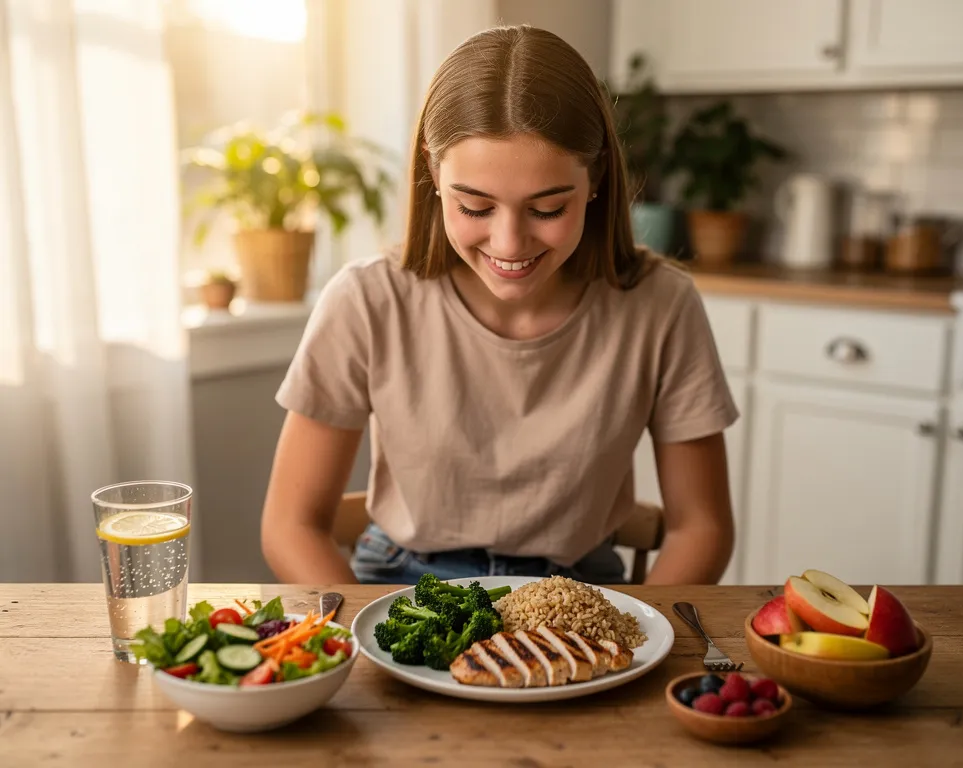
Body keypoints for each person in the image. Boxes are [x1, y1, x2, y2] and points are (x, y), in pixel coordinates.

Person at [260, 24, 738, 587]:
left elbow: (701, 528)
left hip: (580, 589)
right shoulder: (366, 300)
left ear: (596, 178)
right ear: (434, 174)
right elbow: (291, 527)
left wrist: (639, 625)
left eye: (547, 209)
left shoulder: (662, 306)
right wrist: (363, 629)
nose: (509, 244)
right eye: (475, 207)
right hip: (401, 582)